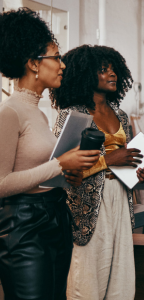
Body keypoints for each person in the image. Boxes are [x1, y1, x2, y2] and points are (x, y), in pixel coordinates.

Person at [0, 8, 101, 300]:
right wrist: (59, 164)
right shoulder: (10, 113)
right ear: (33, 63)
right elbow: (2, 184)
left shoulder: (40, 114)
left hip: (54, 216)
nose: (62, 65)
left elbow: (41, 173)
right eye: (56, 57)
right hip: (23, 227)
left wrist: (69, 173)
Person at [50, 45, 144, 300]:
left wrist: (139, 172)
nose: (113, 74)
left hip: (120, 198)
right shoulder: (72, 114)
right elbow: (59, 171)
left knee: (121, 275)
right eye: (103, 69)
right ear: (85, 74)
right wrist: (109, 159)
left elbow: (126, 160)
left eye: (114, 69)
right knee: (86, 278)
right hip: (85, 204)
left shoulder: (120, 114)